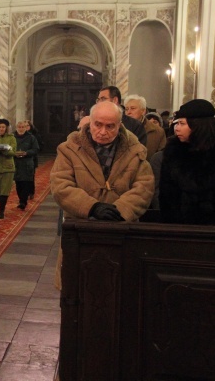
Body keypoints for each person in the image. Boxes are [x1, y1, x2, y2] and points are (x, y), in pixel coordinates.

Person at [50, 101, 154, 289]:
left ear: (119, 125)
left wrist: (121, 210)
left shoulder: (134, 149)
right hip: (82, 228)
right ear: (90, 122)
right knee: (78, 291)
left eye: (110, 126)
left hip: (121, 230)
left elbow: (144, 187)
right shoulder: (69, 148)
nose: (103, 131)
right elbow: (61, 185)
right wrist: (93, 207)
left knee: (119, 290)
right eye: (98, 125)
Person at [159, 99, 215, 224]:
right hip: (178, 227)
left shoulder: (214, 153)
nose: (177, 129)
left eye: (182, 123)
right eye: (177, 123)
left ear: (198, 125)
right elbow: (166, 193)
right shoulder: (173, 152)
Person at [124, 94, 166, 159]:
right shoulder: (119, 128)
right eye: (126, 109)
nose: (128, 112)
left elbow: (161, 158)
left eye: (133, 108)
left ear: (143, 111)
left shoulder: (157, 131)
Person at [13, 120, 39, 210]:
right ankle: (21, 199)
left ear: (26, 128)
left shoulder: (31, 137)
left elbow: (36, 149)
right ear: (16, 128)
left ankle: (23, 202)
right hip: (16, 163)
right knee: (18, 183)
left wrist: (26, 153)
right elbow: (9, 148)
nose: (21, 129)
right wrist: (13, 153)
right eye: (19, 127)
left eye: (23, 127)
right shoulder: (12, 137)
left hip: (27, 163)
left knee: (26, 183)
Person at [25, 119, 43, 199]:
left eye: (27, 126)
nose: (25, 127)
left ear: (30, 126)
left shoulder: (35, 135)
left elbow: (39, 146)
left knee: (30, 176)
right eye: (24, 126)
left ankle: (31, 192)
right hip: (21, 159)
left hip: (32, 158)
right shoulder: (19, 135)